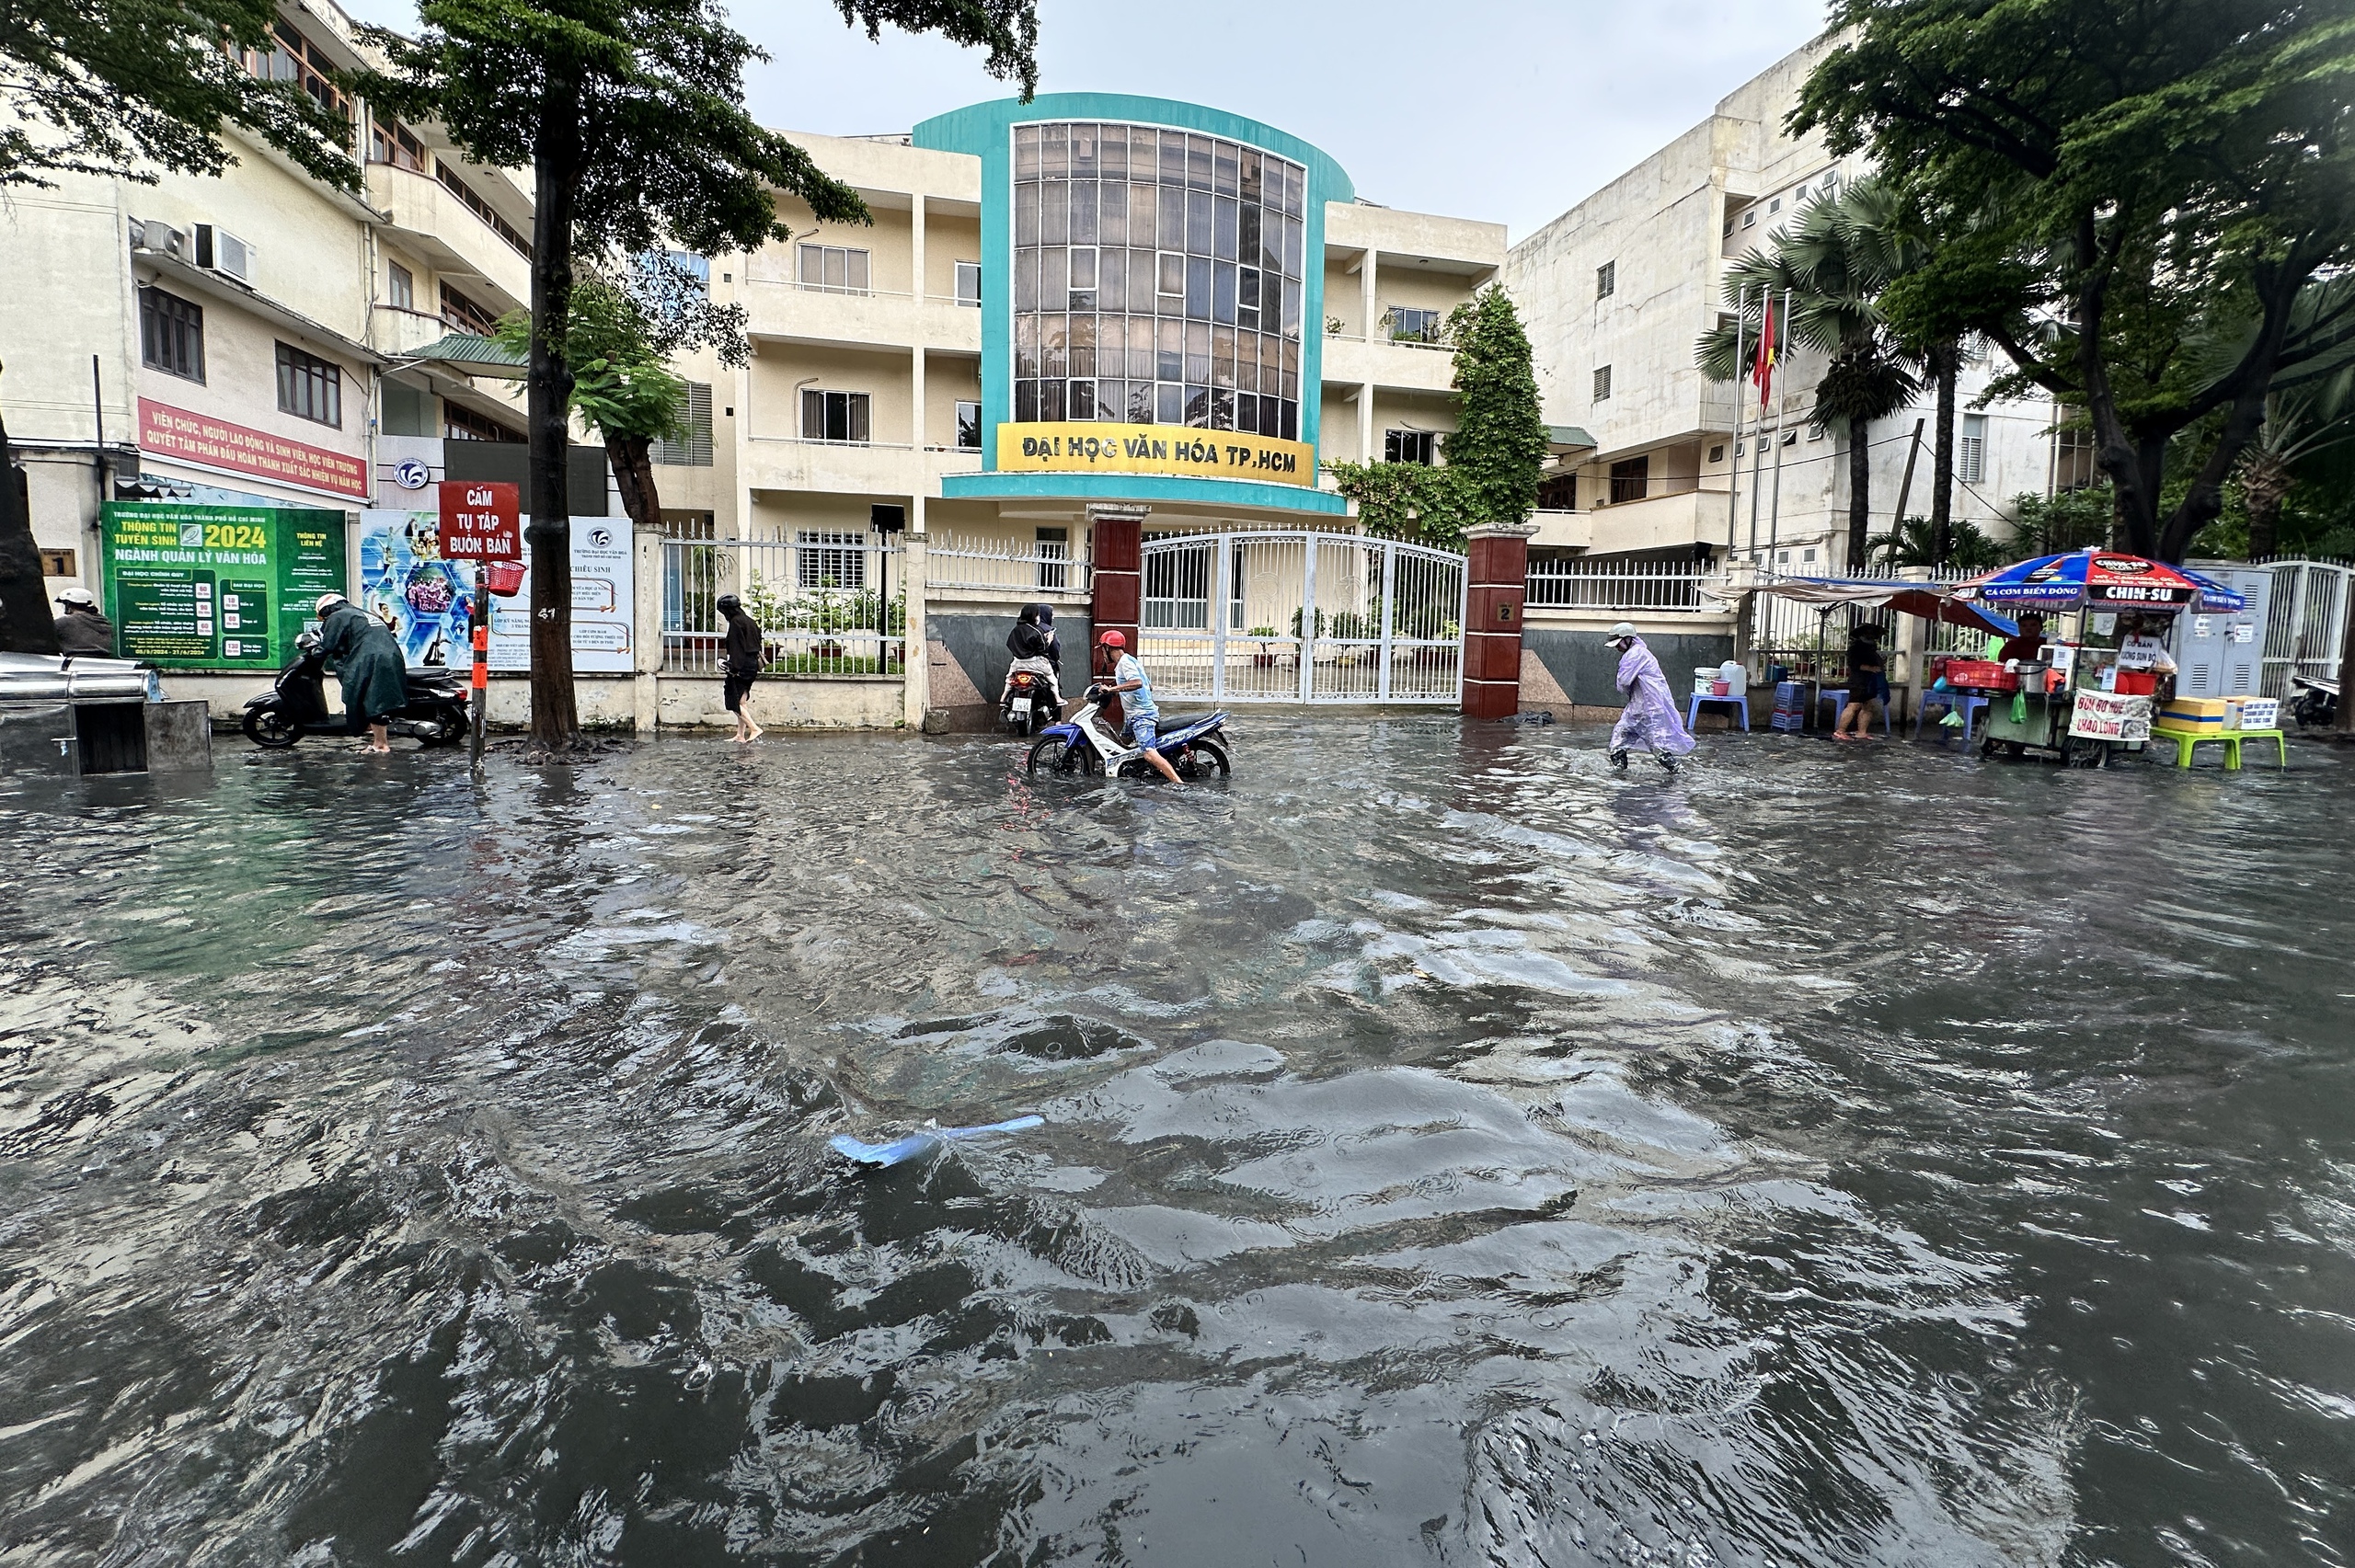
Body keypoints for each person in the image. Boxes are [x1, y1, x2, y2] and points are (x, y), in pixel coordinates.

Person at [315, 592, 408, 753]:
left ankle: (381, 745)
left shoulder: (338, 616)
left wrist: (314, 653)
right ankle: (373, 735)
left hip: (371, 657)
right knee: (375, 696)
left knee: (370, 698)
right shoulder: (361, 613)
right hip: (390, 655)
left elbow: (327, 644)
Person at [1603, 621, 1696, 774]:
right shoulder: (1636, 654)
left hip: (1650, 709)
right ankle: (1619, 771)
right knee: (1619, 738)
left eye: (1619, 643)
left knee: (1657, 746)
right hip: (1637, 708)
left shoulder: (1637, 654)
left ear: (1628, 639)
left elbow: (1624, 682)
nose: (1618, 648)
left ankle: (1678, 772)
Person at [1096, 630, 1182, 785]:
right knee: (1121, 746)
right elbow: (1149, 686)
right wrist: (1119, 690)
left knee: (1149, 753)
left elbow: (1137, 683)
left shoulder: (1125, 663)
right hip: (1134, 716)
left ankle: (1179, 784)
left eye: (1103, 649)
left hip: (1143, 716)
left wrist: (1112, 689)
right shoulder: (1130, 660)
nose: (1102, 653)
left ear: (1108, 648)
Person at [718, 592, 764, 744]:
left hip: (742, 665)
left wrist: (733, 668)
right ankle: (740, 735)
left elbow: (738, 647)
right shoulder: (749, 621)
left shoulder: (736, 623)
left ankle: (754, 728)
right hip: (752, 665)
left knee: (734, 701)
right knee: (742, 700)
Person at [1003, 602, 1064, 714]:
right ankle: (1057, 698)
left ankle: (1003, 697)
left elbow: (1009, 643)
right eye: (1037, 615)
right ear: (1034, 616)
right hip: (1036, 663)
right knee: (1052, 679)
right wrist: (1049, 640)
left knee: (1009, 679)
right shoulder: (1037, 631)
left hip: (1018, 662)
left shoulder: (1015, 630)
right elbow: (1043, 649)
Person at [1833, 623, 1890, 739]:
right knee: (1854, 705)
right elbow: (1854, 664)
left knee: (1868, 706)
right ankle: (1840, 731)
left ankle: (1862, 732)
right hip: (1858, 680)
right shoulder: (1856, 647)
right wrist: (1870, 668)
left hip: (1870, 681)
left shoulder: (1871, 647)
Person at [52, 586, 113, 656]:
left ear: (68, 605)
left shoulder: (65, 622)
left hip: (75, 662)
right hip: (104, 662)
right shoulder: (105, 622)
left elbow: (45, 636)